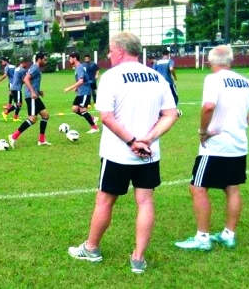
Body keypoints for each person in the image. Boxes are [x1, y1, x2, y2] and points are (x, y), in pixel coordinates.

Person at [67, 31, 178, 274]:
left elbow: (106, 117)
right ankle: (138, 259)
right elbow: (171, 114)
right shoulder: (156, 77)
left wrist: (132, 141)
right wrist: (146, 140)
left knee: (105, 201)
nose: (108, 54)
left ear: (120, 50)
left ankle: (91, 248)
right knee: (146, 202)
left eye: (110, 50)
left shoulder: (112, 76)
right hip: (148, 153)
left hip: (118, 153)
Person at [174, 45, 249, 251]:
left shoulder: (213, 79)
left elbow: (208, 106)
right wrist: (244, 122)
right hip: (238, 144)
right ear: (231, 61)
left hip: (216, 145)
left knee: (197, 188)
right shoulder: (244, 81)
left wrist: (202, 130)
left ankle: (202, 238)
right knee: (232, 188)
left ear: (210, 62)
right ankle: (229, 234)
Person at [7, 52, 52, 148]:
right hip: (31, 97)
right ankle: (13, 136)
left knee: (45, 115)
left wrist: (38, 91)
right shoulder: (35, 68)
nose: (46, 61)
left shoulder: (36, 68)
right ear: (39, 59)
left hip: (35, 96)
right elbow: (26, 79)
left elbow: (32, 81)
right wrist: (32, 92)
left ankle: (41, 140)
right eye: (44, 59)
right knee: (32, 118)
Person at [64, 53, 100, 133]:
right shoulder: (78, 68)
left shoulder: (79, 68)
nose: (69, 61)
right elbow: (84, 79)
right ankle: (93, 118)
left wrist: (69, 88)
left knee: (83, 110)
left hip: (85, 92)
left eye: (70, 59)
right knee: (75, 109)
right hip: (81, 92)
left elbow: (81, 81)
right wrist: (77, 88)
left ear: (75, 59)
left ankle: (95, 128)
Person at [1, 56, 30, 122]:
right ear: (23, 63)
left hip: (13, 87)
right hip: (17, 88)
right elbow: (24, 80)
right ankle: (6, 113)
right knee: (18, 103)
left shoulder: (17, 68)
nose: (27, 65)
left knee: (20, 103)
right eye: (27, 64)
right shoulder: (22, 70)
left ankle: (15, 117)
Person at [153, 50, 180, 114]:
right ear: (168, 54)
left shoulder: (157, 62)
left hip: (158, 83)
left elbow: (153, 71)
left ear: (162, 55)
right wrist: (175, 76)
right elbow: (171, 69)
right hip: (168, 82)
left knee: (160, 97)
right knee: (175, 96)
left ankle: (159, 111)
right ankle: (173, 111)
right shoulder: (170, 61)